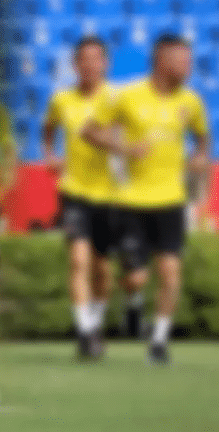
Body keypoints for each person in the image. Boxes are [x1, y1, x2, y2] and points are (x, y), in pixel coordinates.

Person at [84, 34, 209, 364]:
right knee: (136, 276)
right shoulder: (127, 96)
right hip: (131, 202)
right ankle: (134, 302)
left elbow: (202, 136)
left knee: (170, 273)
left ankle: (159, 339)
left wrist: (200, 156)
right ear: (161, 61)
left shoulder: (191, 101)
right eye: (181, 60)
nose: (187, 67)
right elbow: (90, 130)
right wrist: (124, 148)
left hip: (171, 201)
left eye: (189, 61)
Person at [42, 37, 119, 359]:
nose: (89, 65)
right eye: (83, 59)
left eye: (95, 59)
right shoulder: (62, 100)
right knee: (78, 260)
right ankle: (85, 333)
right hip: (74, 191)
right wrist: (50, 154)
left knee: (103, 269)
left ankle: (96, 322)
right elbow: (48, 130)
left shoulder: (118, 100)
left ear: (105, 63)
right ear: (76, 65)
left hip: (111, 193)